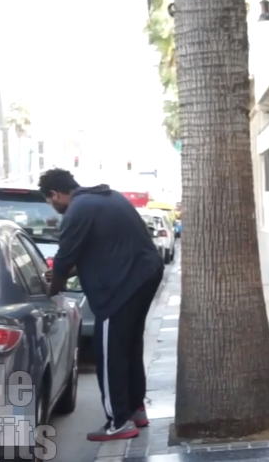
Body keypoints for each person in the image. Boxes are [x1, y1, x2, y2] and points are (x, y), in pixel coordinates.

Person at [39, 168, 164, 442]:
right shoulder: (110, 198)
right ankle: (135, 409)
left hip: (120, 286)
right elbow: (107, 247)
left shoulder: (78, 210)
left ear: (56, 193)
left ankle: (118, 422)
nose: (54, 207)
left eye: (51, 201)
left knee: (107, 353)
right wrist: (71, 272)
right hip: (146, 275)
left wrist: (52, 289)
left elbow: (64, 256)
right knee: (129, 346)